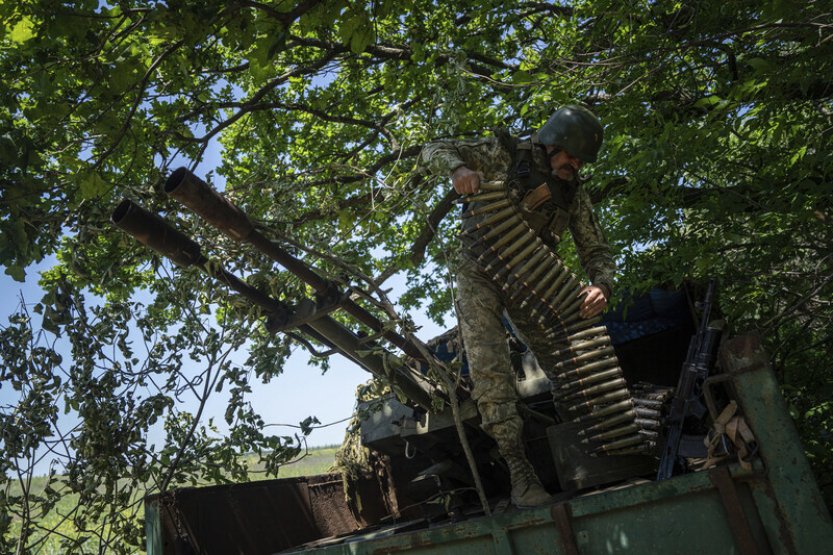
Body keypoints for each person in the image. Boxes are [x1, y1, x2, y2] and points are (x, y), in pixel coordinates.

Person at [419, 105, 615, 507]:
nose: (575, 165)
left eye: (580, 161)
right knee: (491, 372)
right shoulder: (504, 154)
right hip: (480, 272)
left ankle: (591, 457)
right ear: (552, 144)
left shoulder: (572, 192)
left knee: (571, 365)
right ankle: (520, 473)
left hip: (533, 282)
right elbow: (433, 148)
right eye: (571, 155)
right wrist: (458, 170)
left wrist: (602, 286)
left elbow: (596, 248)